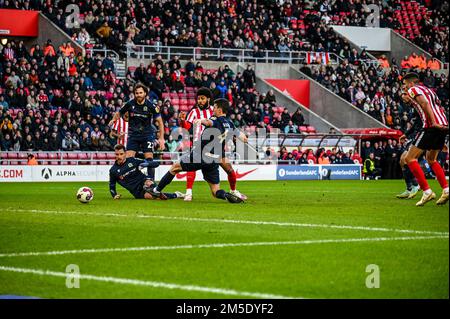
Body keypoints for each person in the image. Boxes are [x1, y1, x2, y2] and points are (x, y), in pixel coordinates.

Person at [150, 99, 247, 204]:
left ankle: (156, 190)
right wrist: (241, 138)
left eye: (214, 107)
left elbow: (209, 122)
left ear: (219, 109)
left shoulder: (215, 119)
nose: (213, 109)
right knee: (215, 191)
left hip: (200, 155)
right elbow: (244, 138)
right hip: (214, 160)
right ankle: (225, 194)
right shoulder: (230, 124)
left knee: (175, 168)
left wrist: (201, 120)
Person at [178, 87, 247, 201]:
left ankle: (233, 191)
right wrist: (182, 121)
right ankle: (189, 192)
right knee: (191, 167)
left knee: (229, 170)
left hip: (216, 147)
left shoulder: (214, 110)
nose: (199, 101)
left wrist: (232, 135)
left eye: (202, 98)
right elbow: (188, 127)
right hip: (198, 144)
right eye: (198, 99)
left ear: (208, 99)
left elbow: (222, 125)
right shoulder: (194, 112)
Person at [402, 72, 449, 206]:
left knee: (409, 158)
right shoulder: (429, 90)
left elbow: (424, 103)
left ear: (411, 83)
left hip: (431, 126)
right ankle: (446, 189)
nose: (405, 89)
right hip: (443, 124)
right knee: (431, 159)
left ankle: (427, 191)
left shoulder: (414, 89)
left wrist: (433, 122)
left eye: (405, 85)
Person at [109, 83, 165, 181]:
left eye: (140, 93)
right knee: (129, 159)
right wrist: (113, 120)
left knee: (149, 159)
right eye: (136, 93)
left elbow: (160, 122)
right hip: (133, 136)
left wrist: (161, 138)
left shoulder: (151, 106)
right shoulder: (130, 104)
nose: (138, 95)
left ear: (145, 94)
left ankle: (151, 182)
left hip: (147, 135)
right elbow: (119, 113)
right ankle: (136, 180)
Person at [109, 144, 184, 200]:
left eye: (121, 154)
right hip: (136, 191)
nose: (119, 157)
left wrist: (147, 164)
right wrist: (114, 195)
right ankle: (176, 194)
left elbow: (156, 164)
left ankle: (154, 190)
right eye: (117, 154)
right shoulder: (113, 170)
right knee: (153, 197)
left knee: (148, 183)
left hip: (144, 181)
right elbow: (112, 185)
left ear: (125, 153)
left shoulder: (132, 160)